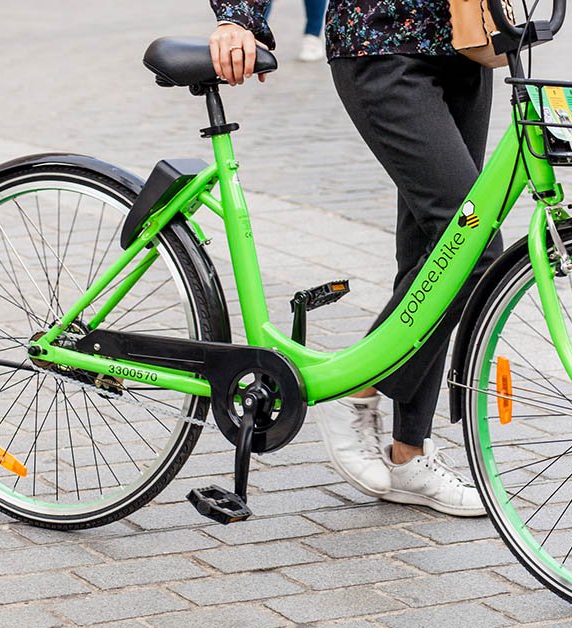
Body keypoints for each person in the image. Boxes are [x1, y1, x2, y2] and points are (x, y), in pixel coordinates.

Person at [209, 0, 501, 517]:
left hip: (466, 39)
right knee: (473, 247)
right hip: (381, 44)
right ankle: (355, 384)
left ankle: (410, 455)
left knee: (436, 254)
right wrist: (239, 16)